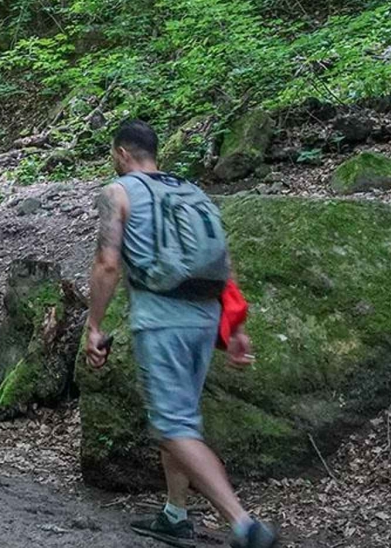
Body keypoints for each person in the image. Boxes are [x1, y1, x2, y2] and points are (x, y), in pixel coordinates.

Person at [85, 120, 277, 548]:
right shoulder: (192, 192)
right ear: (156, 153)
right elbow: (223, 262)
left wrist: (94, 325)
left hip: (161, 319)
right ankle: (175, 515)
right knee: (181, 416)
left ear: (121, 154)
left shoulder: (117, 192)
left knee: (172, 425)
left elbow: (108, 264)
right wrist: (237, 326)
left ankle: (244, 524)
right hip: (205, 317)